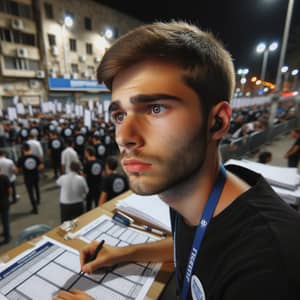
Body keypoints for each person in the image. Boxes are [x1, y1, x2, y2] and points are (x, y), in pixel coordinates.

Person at [55, 21, 300, 300]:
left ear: (217, 121)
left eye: (155, 108)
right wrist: (126, 252)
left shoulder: (269, 271)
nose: (124, 137)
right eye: (119, 115)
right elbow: (192, 243)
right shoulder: (189, 197)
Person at [17, 143, 43, 214]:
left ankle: (35, 208)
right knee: (37, 188)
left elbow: (18, 170)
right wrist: (35, 169)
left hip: (27, 177)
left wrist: (23, 170)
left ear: (23, 150)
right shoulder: (35, 157)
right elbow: (41, 166)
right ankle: (38, 200)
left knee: (30, 193)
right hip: (36, 175)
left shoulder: (21, 158)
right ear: (30, 149)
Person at [0, 172, 12, 244]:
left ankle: (6, 236)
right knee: (5, 220)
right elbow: (10, 189)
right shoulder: (4, 177)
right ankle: (6, 235)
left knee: (4, 219)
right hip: (4, 201)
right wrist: (9, 198)